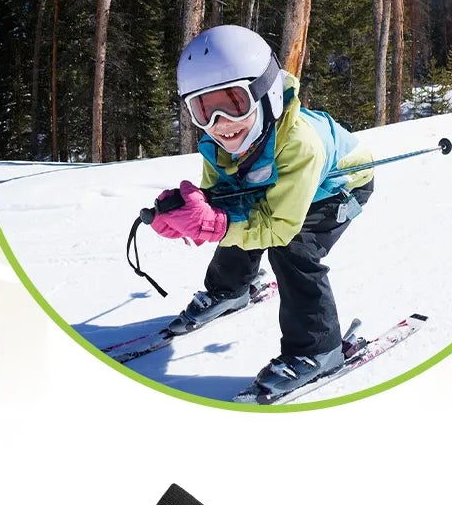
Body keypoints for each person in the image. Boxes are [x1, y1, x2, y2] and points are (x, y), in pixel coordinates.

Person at [151, 24, 374, 402]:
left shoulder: (300, 144)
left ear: (265, 92)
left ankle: (318, 349)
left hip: (338, 189)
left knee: (294, 248)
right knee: (235, 215)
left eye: (233, 103)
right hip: (285, 190)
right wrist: (184, 215)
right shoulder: (218, 144)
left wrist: (216, 225)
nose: (220, 123)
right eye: (203, 109)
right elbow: (222, 203)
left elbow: (278, 227)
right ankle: (229, 288)